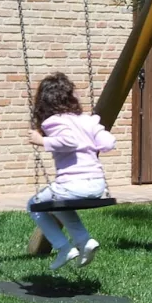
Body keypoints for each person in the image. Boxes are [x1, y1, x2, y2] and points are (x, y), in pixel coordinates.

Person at [26, 72, 115, 271]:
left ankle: (63, 247)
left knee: (33, 204)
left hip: (73, 186)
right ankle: (85, 241)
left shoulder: (53, 122)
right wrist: (94, 141)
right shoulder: (87, 120)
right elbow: (108, 142)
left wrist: (43, 141)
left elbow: (69, 141)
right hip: (97, 185)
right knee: (60, 204)